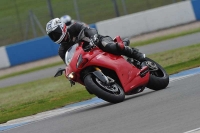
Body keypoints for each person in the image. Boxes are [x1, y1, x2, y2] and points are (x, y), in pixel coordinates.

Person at [46, 18, 145, 64]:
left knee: (110, 46)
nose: (55, 36)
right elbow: (69, 64)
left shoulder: (74, 27)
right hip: (87, 57)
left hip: (97, 43)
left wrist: (94, 37)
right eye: (52, 36)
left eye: (56, 33)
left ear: (62, 27)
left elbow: (89, 30)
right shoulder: (62, 51)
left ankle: (136, 54)